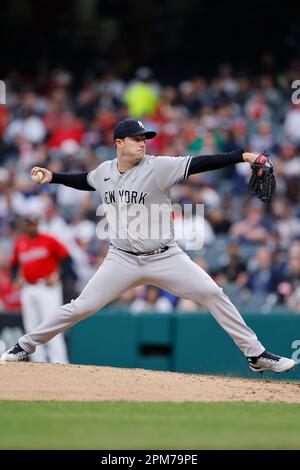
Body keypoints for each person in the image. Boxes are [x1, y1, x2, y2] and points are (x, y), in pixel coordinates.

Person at [1, 118, 295, 373]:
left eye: (145, 139)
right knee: (81, 307)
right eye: (136, 139)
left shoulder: (158, 167)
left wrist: (243, 155)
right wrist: (53, 177)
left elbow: (202, 162)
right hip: (122, 259)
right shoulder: (104, 171)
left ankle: (255, 354)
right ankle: (23, 346)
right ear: (119, 143)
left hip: (165, 257)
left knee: (212, 293)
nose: (143, 144)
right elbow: (86, 181)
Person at [8, 213, 72, 363]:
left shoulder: (49, 240)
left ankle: (60, 362)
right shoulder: (20, 244)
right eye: (28, 223)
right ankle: (38, 363)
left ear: (38, 224)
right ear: (24, 225)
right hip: (28, 288)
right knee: (31, 326)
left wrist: (57, 276)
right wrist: (14, 279)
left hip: (47, 288)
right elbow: (14, 265)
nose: (31, 226)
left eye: (33, 223)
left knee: (52, 324)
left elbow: (68, 261)